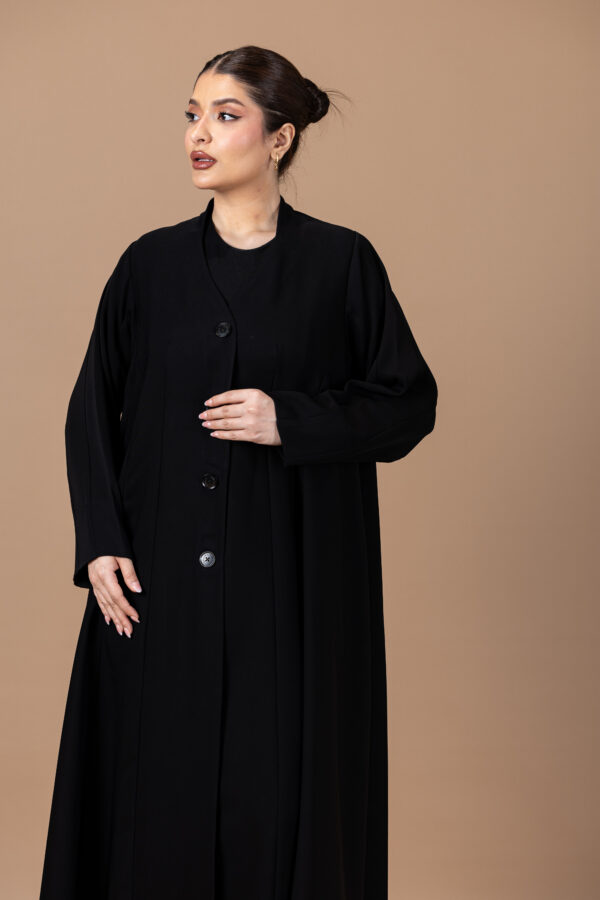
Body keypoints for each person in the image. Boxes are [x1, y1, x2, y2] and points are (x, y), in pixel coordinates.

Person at [39, 44, 438, 900]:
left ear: (280, 138)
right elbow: (89, 410)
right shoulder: (148, 267)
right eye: (192, 115)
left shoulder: (341, 264)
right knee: (153, 797)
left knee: (278, 799)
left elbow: (408, 403)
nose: (200, 134)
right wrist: (100, 541)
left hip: (289, 591)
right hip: (159, 592)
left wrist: (289, 418)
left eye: (225, 117)